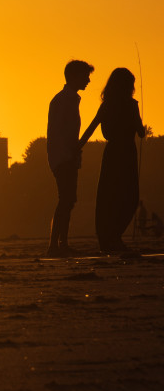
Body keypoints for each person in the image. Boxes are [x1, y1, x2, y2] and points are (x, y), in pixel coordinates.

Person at [80, 68, 145, 253]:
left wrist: (77, 147)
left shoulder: (107, 104)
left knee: (107, 197)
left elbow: (91, 127)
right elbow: (140, 132)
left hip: (111, 154)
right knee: (129, 197)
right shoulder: (132, 105)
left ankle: (107, 239)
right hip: (127, 154)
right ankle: (115, 237)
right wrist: (141, 127)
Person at [46, 59, 95, 257]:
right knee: (66, 199)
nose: (88, 81)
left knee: (68, 200)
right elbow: (59, 132)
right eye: (86, 76)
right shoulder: (63, 100)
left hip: (67, 156)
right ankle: (55, 245)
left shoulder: (68, 99)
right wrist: (70, 153)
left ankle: (60, 243)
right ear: (74, 76)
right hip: (63, 157)